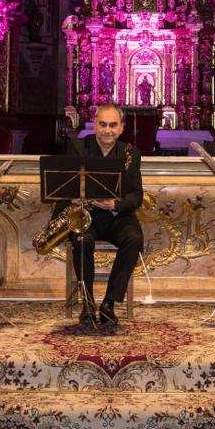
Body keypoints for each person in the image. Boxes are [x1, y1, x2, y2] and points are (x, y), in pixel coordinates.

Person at [57, 103, 144, 327]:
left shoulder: (131, 153)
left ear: (122, 127)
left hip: (116, 216)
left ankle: (109, 303)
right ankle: (87, 303)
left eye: (113, 125)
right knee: (82, 240)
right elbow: (65, 184)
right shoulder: (78, 147)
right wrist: (71, 197)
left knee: (134, 239)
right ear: (94, 125)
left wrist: (114, 204)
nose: (108, 130)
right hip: (86, 215)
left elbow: (136, 196)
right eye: (103, 124)